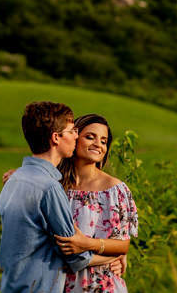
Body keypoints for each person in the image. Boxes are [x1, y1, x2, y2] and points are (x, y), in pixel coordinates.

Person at [0, 101, 122, 293]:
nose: (76, 135)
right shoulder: (50, 188)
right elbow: (74, 256)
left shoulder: (15, 179)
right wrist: (113, 256)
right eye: (73, 131)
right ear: (56, 138)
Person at [53, 113, 139, 293]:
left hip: (102, 285)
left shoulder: (115, 190)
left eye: (103, 141)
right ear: (74, 139)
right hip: (58, 282)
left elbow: (122, 244)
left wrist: (86, 244)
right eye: (90, 137)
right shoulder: (55, 185)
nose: (98, 144)